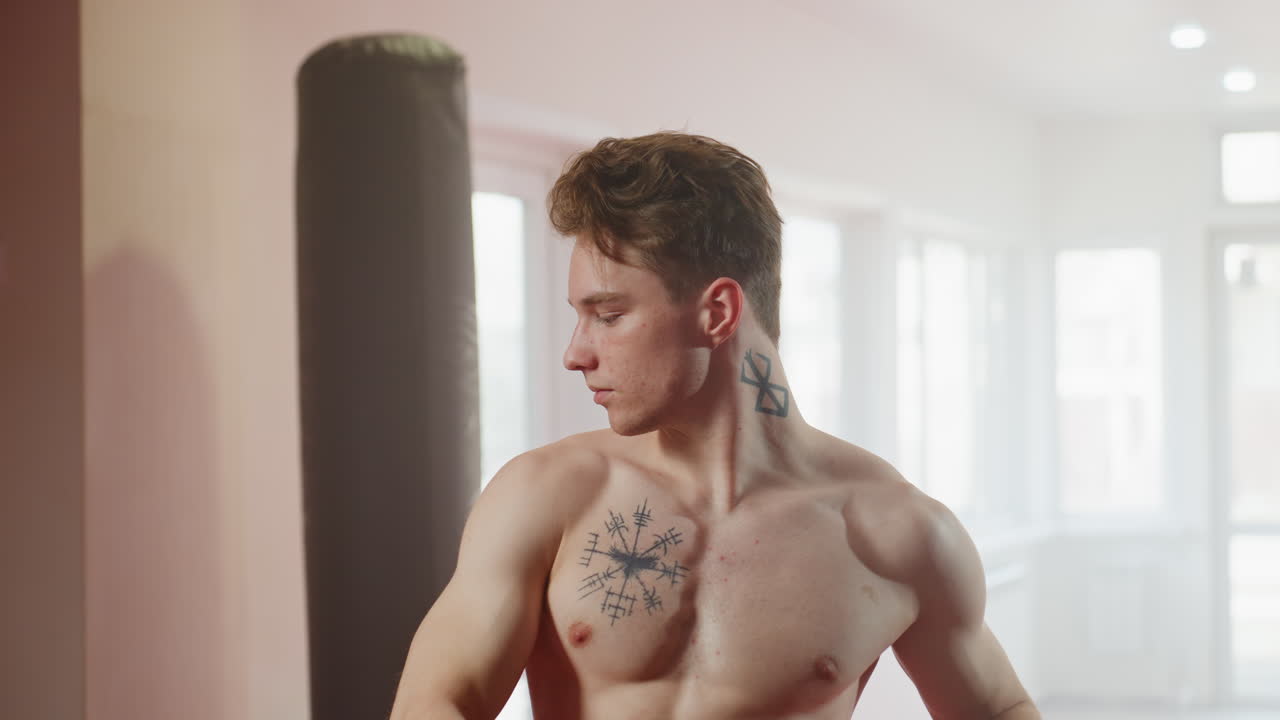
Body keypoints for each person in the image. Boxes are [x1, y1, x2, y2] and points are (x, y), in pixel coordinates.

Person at [388, 132, 1039, 719]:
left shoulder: (896, 534)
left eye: (608, 315)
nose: (576, 353)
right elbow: (438, 700)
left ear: (718, 310)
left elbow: (999, 706)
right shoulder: (548, 497)